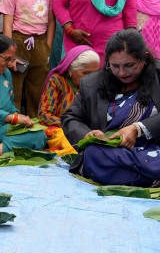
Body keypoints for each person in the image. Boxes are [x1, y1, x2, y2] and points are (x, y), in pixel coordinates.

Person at [62, 30, 160, 187]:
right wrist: (88, 135)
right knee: (93, 153)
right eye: (115, 66)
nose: (122, 72)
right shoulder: (91, 84)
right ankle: (151, 178)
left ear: (145, 58)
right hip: (110, 153)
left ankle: (136, 177)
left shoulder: (158, 76)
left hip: (153, 150)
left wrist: (138, 129)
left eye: (129, 65)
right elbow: (71, 118)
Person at [0, 0, 55, 117]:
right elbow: (7, 25)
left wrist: (48, 46)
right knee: (14, 86)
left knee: (38, 87)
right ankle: (13, 123)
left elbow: (51, 21)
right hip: (18, 43)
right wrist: (10, 53)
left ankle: (36, 124)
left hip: (40, 42)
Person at [38, 46, 99, 155]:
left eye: (94, 73)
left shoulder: (95, 84)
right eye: (85, 73)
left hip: (87, 131)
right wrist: (72, 125)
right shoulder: (57, 81)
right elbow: (44, 115)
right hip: (60, 129)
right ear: (71, 70)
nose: (91, 77)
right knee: (73, 148)